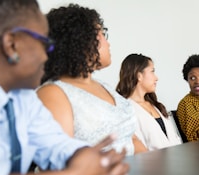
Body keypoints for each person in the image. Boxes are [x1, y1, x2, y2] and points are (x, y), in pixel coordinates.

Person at [0, 1, 128, 175]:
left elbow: (57, 145)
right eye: (44, 43)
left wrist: (92, 162)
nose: (48, 55)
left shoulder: (23, 98)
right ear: (11, 45)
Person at [37, 4, 147, 155]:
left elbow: (131, 139)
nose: (108, 43)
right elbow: (60, 164)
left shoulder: (104, 86)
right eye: (102, 34)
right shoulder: (52, 93)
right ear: (80, 39)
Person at [116, 53, 182, 150]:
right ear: (139, 75)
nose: (156, 78)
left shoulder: (155, 105)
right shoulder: (125, 110)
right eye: (152, 71)